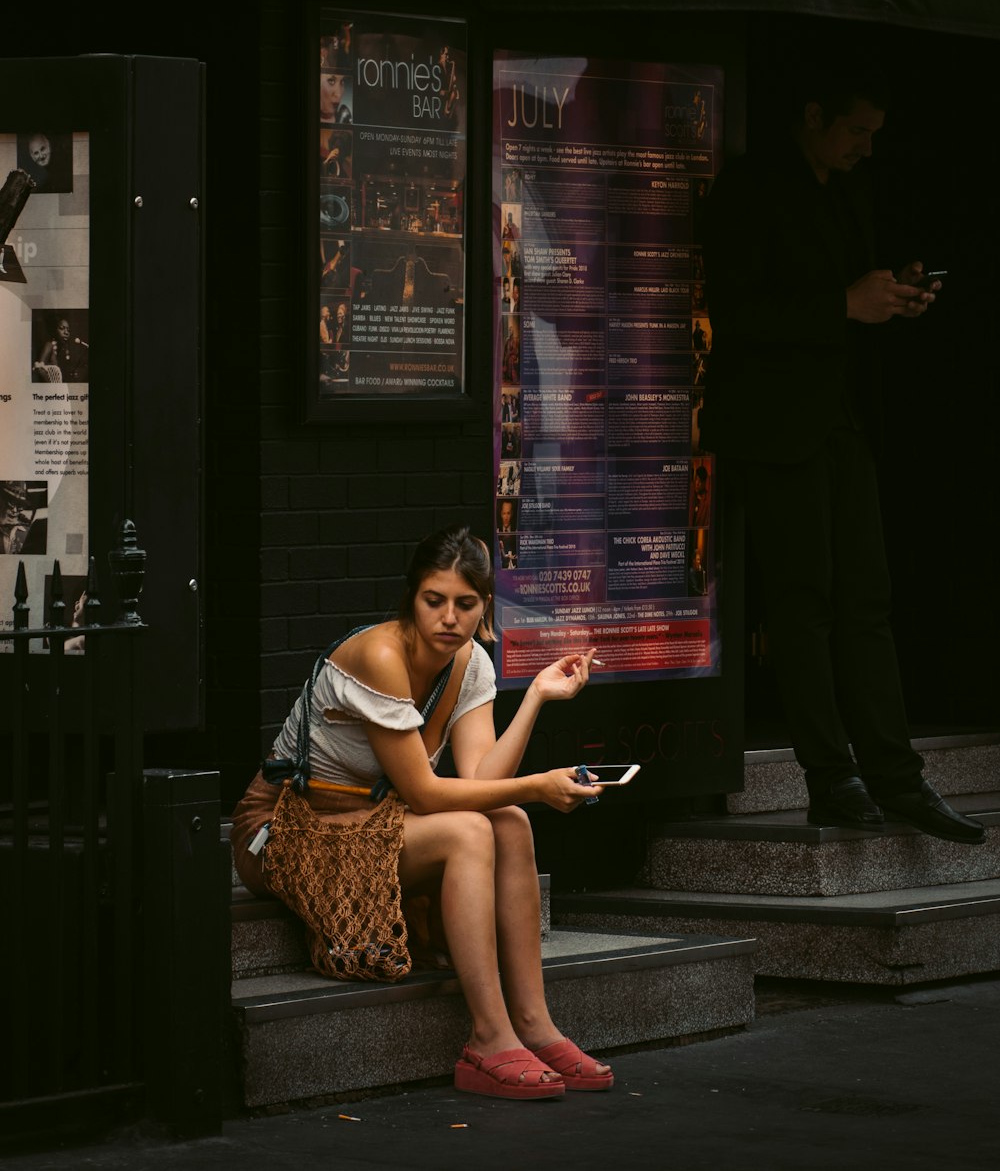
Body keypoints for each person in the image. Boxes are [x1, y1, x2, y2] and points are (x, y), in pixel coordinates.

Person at [702, 67, 983, 844]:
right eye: (855, 130)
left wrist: (892, 295)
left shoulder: (845, 191)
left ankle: (899, 778)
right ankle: (831, 776)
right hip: (777, 427)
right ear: (813, 114)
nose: (865, 146)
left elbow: (846, 297)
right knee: (804, 607)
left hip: (841, 421)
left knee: (869, 602)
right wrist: (843, 304)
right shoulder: (751, 188)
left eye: (873, 135)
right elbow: (736, 308)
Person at [230, 526, 612, 1099]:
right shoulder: (379, 655)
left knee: (508, 821)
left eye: (465, 604)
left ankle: (534, 1022)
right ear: (412, 599)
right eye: (434, 601)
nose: (448, 618)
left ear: (484, 608)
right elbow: (431, 795)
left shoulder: (470, 662)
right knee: (467, 832)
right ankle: (488, 1037)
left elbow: (483, 780)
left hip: (372, 822)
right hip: (286, 829)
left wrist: (534, 697)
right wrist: (538, 784)